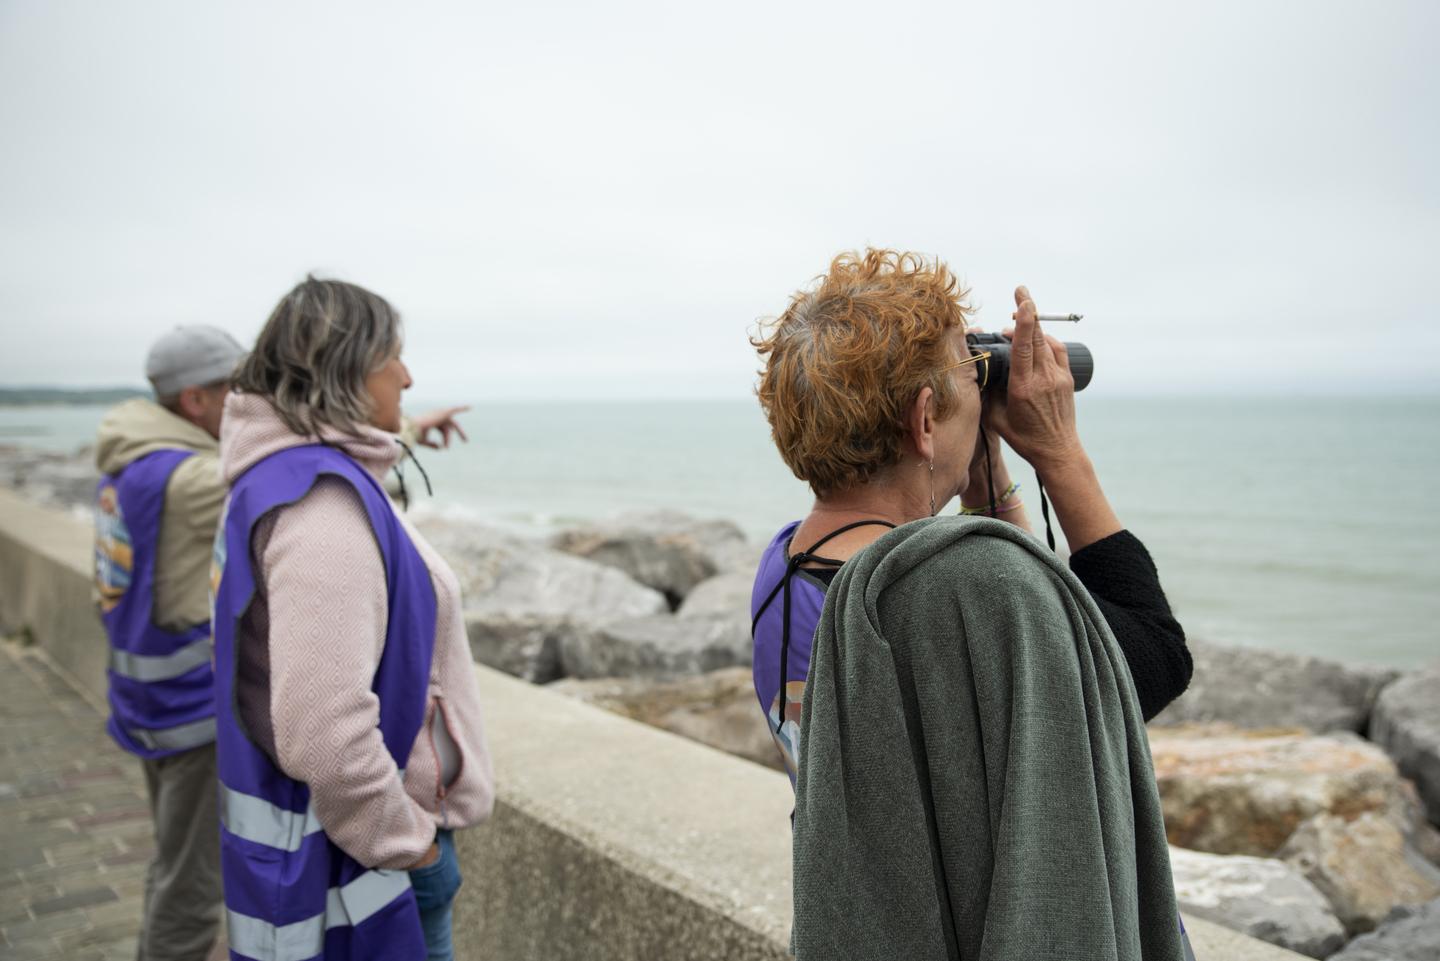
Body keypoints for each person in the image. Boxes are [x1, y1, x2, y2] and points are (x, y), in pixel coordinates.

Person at [749, 250, 1195, 959]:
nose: (982, 387)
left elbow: (1036, 644)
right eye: (971, 372)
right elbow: (1144, 663)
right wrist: (1060, 453)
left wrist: (980, 475)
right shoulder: (967, 590)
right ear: (925, 419)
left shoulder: (784, 570)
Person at [211, 277, 495, 961]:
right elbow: (325, 736)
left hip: (338, 840)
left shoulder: (273, 475)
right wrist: (412, 847)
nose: (407, 376)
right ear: (344, 370)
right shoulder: (321, 514)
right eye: (392, 357)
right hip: (376, 861)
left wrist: (409, 430)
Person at [93, 325, 244, 961]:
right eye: (235, 389)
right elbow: (287, 472)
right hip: (189, 712)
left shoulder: (134, 463)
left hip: (143, 699)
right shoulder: (189, 479)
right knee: (192, 891)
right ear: (195, 400)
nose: (247, 402)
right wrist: (398, 432)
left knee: (170, 864)